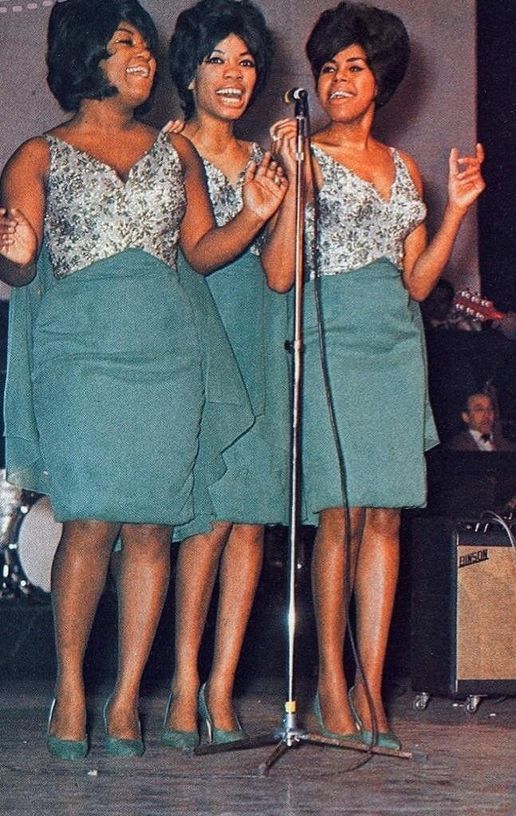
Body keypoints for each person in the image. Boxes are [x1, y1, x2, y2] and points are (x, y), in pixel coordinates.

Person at [0, 0, 286, 759]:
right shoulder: (39, 155)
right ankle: (70, 687)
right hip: (81, 354)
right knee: (90, 521)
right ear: (87, 53)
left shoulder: (175, 153)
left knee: (154, 526)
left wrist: (255, 214)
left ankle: (125, 698)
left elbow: (200, 252)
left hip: (167, 351)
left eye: (148, 49)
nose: (146, 60)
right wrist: (10, 249)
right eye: (128, 44)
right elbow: (20, 264)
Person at [265, 1, 484, 748]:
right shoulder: (303, 155)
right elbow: (278, 273)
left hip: (395, 345)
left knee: (385, 516)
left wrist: (455, 213)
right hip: (327, 338)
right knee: (342, 517)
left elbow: (420, 281)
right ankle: (330, 680)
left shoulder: (403, 166)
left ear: (381, 79)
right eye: (327, 67)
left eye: (353, 66)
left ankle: (372, 687)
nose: (336, 79)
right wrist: (295, 177)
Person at [161, 0, 294, 749]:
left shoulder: (263, 160)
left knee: (250, 522)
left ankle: (222, 689)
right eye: (218, 59)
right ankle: (182, 688)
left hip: (257, 330)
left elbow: (278, 275)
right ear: (190, 69)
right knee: (206, 523)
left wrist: (293, 187)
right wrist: (253, 213)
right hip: (198, 336)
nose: (235, 74)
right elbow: (201, 251)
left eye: (245, 60)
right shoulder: (173, 150)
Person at [445, 391, 516, 452]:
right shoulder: (456, 446)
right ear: (466, 417)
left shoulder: (507, 446)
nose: (487, 415)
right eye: (479, 410)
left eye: (490, 409)